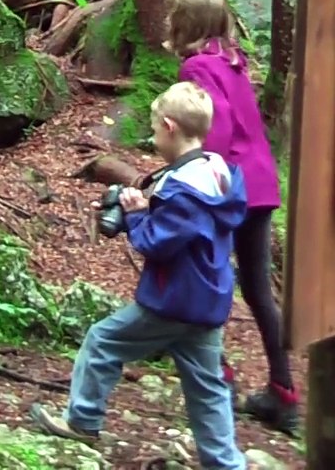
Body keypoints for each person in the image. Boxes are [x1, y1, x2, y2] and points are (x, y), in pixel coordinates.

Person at [30, 82, 247, 470]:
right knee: (207, 387)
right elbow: (190, 228)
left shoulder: (185, 192)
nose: (152, 135)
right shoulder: (215, 174)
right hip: (209, 299)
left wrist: (135, 214)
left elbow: (158, 243)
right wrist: (150, 204)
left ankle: (82, 420)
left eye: (153, 127)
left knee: (102, 342)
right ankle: (226, 463)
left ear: (169, 127)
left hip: (174, 300)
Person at [165, 0, 297, 434]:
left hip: (226, 187)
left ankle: (215, 376)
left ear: (188, 22)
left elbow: (214, 126)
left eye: (173, 16)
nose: (168, 24)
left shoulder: (197, 65)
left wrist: (191, 172)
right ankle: (283, 390)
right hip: (259, 183)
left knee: (206, 276)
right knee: (258, 288)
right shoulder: (232, 60)